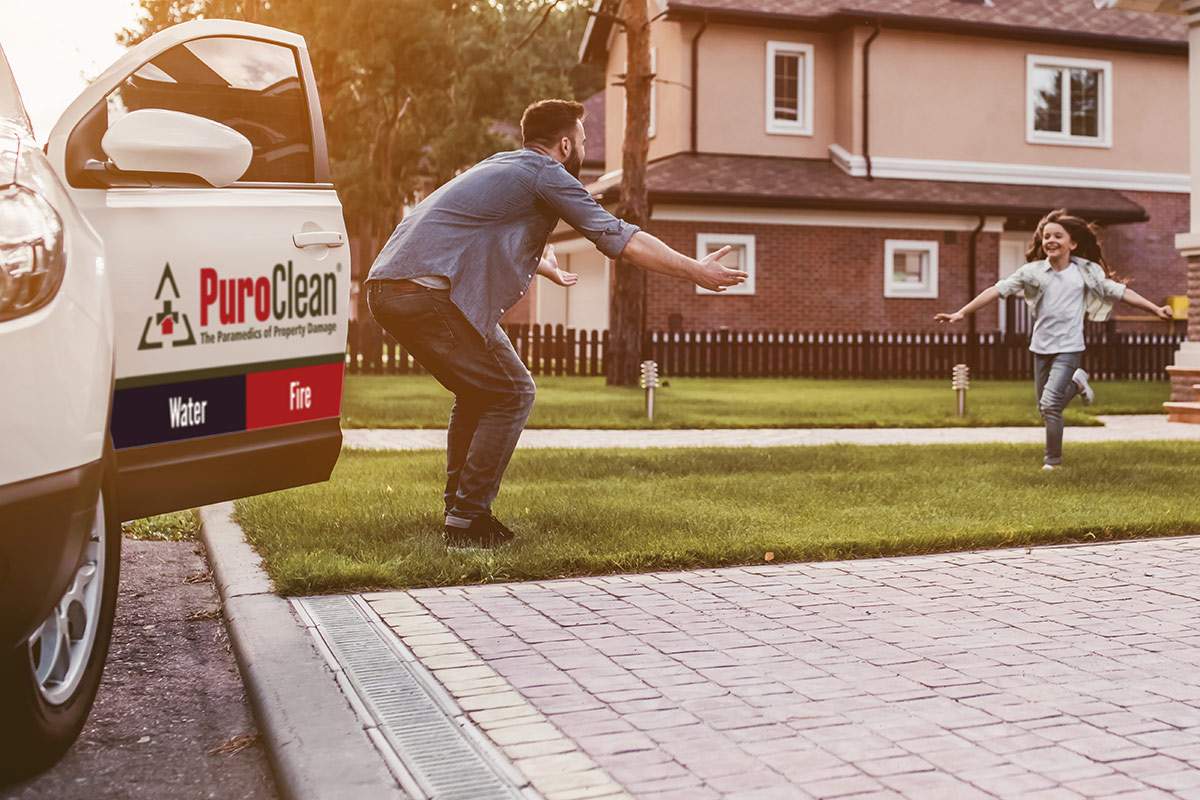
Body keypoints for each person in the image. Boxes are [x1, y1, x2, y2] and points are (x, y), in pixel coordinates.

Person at [366, 98, 747, 549]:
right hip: (426, 294)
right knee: (511, 393)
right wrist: (694, 270)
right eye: (583, 139)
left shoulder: (501, 166)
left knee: (479, 392)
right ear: (565, 145)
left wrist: (542, 266)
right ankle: (467, 519)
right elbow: (617, 236)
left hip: (391, 287)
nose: (585, 147)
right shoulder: (547, 174)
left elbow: (469, 228)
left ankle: (461, 511)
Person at [935, 209, 1172, 470]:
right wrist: (961, 312)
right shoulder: (1033, 272)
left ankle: (1052, 462)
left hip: (1069, 347)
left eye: (1058, 235)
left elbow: (1121, 292)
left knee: (1050, 405)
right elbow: (996, 289)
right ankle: (1078, 382)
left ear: (1073, 243)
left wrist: (1155, 309)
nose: (1050, 240)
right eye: (1046, 236)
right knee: (1045, 408)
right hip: (1041, 346)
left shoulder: (1086, 272)